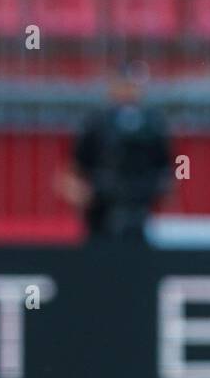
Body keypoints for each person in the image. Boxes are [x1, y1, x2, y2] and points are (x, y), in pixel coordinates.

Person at [56, 62, 173, 245]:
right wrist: (82, 193)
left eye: (132, 85)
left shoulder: (153, 125)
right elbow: (75, 168)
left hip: (138, 210)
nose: (128, 91)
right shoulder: (96, 123)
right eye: (123, 85)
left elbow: (166, 167)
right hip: (101, 211)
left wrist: (157, 189)